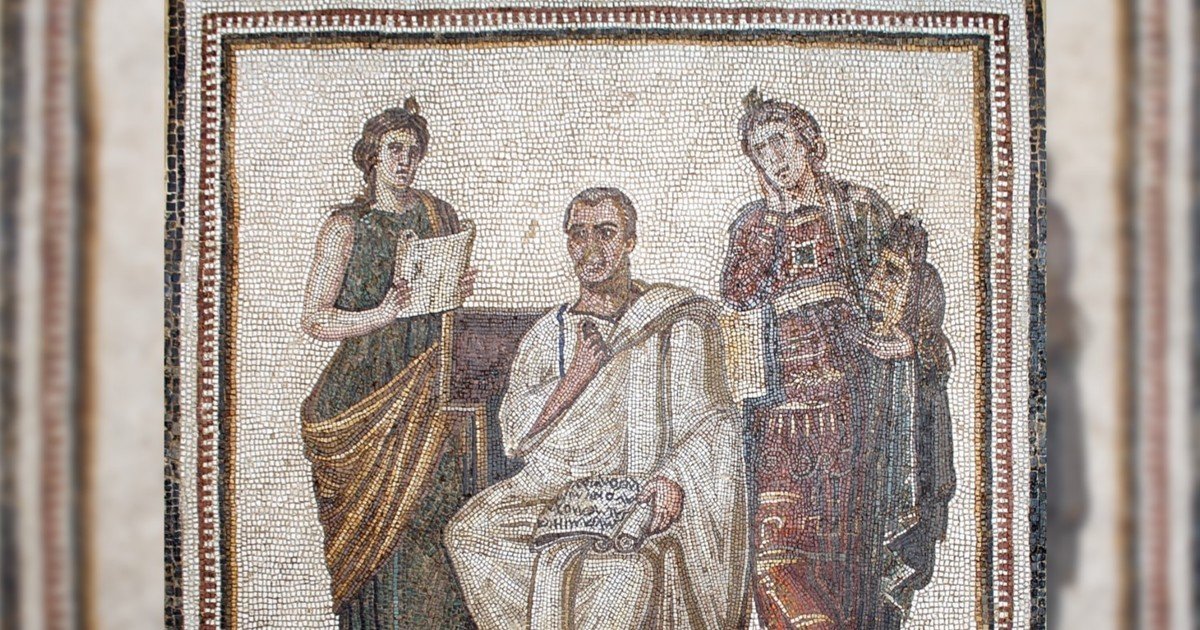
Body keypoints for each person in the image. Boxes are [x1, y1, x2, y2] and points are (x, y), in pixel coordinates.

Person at [446, 187, 749, 629]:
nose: (590, 248)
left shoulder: (673, 323)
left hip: (638, 491)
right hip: (552, 492)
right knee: (469, 533)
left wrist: (674, 476)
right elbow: (514, 436)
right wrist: (575, 378)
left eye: (605, 233)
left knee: (625, 573)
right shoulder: (547, 333)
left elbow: (713, 422)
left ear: (629, 241)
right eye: (579, 234)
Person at [720, 91, 952, 628]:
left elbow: (917, 279)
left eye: (781, 141)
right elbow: (736, 306)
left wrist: (910, 341)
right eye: (760, 150)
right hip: (776, 423)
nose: (774, 157)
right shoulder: (751, 225)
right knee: (773, 559)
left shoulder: (857, 209)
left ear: (812, 145)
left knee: (851, 562)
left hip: (853, 418)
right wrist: (770, 225)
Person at [299, 99, 475, 629]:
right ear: (372, 156)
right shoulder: (345, 226)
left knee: (434, 511)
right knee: (375, 532)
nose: (405, 160)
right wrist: (380, 314)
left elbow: (439, 299)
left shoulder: (438, 215)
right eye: (394, 149)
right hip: (364, 391)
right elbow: (315, 318)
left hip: (430, 383)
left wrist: (454, 287)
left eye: (413, 151)